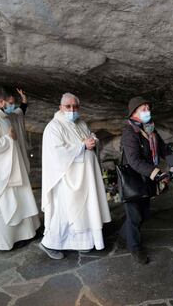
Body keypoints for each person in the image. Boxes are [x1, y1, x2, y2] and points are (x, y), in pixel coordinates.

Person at [40, 93, 111, 259]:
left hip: (85, 177)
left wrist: (93, 141)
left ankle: (82, 242)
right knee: (65, 213)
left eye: (75, 106)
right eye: (68, 106)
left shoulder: (81, 123)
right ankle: (49, 244)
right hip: (66, 179)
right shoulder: (54, 127)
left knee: (84, 210)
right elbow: (57, 153)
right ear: (60, 107)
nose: (72, 110)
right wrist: (82, 146)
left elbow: (89, 138)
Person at [0, 91, 40, 251]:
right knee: (6, 205)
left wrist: (24, 102)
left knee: (20, 201)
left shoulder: (2, 114)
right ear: (1, 101)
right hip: (0, 173)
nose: (13, 105)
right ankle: (10, 239)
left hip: (12, 169)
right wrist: (8, 139)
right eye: (11, 102)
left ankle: (24, 234)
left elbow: (17, 115)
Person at [119, 96, 168, 265]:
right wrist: (154, 171)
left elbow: (163, 149)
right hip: (133, 179)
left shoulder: (150, 129)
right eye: (144, 109)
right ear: (134, 113)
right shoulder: (129, 132)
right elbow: (133, 160)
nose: (148, 112)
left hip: (146, 178)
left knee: (144, 214)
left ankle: (123, 235)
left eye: (148, 108)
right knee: (134, 216)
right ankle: (135, 248)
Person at [2, 87, 31, 174]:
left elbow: (22, 107)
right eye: (10, 103)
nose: (13, 106)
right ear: (3, 103)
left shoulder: (15, 115)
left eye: (14, 103)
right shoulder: (0, 118)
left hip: (20, 150)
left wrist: (24, 97)